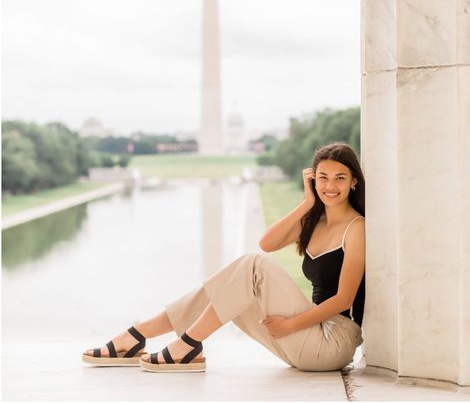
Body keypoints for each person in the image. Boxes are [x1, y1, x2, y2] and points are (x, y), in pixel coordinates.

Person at [82, 141, 365, 372]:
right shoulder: (313, 222)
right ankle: (137, 334)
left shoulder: (356, 228)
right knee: (229, 285)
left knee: (252, 265)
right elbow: (267, 243)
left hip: (333, 343)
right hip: (308, 337)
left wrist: (290, 325)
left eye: (340, 178)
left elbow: (344, 299)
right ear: (313, 180)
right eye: (323, 178)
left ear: (353, 181)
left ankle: (187, 343)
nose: (330, 186)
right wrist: (307, 203)